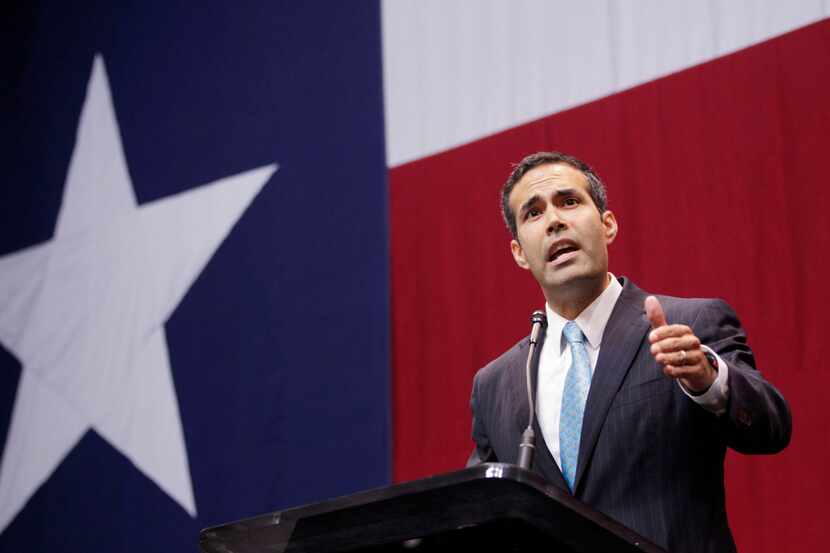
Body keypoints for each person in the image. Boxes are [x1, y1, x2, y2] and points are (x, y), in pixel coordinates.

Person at [467, 151, 791, 553]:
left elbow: (770, 428)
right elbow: (477, 513)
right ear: (519, 252)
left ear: (608, 225)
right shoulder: (496, 384)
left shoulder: (689, 325)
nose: (554, 221)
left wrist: (710, 380)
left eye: (569, 202)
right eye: (534, 213)